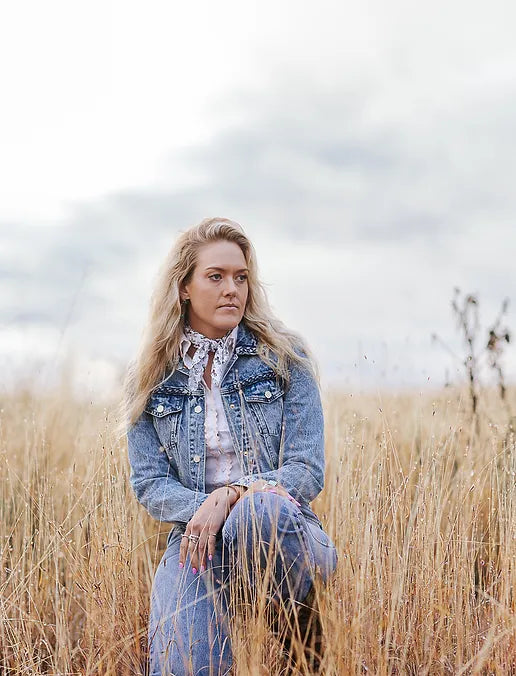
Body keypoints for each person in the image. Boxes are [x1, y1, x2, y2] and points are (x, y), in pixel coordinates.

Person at [123, 217, 338, 675]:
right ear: (183, 288)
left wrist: (232, 496)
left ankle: (303, 640)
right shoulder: (149, 376)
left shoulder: (284, 356)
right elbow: (149, 482)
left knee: (258, 514)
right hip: (197, 540)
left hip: (279, 526)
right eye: (215, 277)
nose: (232, 290)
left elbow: (306, 467)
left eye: (241, 278)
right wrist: (204, 511)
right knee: (185, 663)